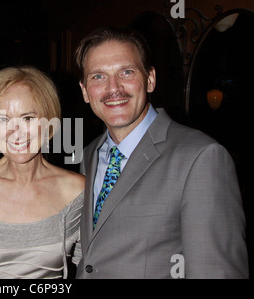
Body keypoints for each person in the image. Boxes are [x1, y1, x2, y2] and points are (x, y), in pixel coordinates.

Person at [74, 26, 248, 278]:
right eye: (98, 76)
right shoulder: (89, 155)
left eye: (126, 72)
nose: (114, 88)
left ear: (150, 79)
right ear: (84, 91)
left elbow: (215, 272)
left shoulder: (202, 157)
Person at [0, 66, 85, 279]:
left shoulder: (77, 190)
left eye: (28, 118)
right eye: (3, 119)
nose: (16, 131)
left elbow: (94, 266)